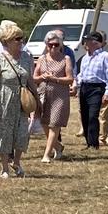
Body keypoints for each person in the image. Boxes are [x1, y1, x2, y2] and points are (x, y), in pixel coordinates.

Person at [0, 20, 31, 179]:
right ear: (7, 41)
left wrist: (36, 100)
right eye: (17, 39)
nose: (20, 42)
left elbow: (29, 80)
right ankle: (5, 168)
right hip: (5, 98)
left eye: (22, 38)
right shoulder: (0, 58)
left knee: (22, 132)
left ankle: (16, 162)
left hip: (22, 99)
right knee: (4, 133)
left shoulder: (26, 57)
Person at [33, 30, 74, 162]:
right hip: (43, 94)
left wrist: (55, 79)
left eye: (56, 44)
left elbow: (70, 79)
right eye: (50, 45)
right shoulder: (41, 58)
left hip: (60, 96)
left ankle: (46, 155)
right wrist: (42, 77)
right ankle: (57, 146)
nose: (53, 47)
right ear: (46, 45)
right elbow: (34, 77)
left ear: (61, 45)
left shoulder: (65, 59)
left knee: (54, 124)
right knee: (44, 123)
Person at [74, 28, 108, 150]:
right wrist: (76, 83)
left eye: (88, 41)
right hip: (85, 87)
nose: (85, 43)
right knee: (85, 115)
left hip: (97, 88)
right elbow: (82, 74)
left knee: (92, 116)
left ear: (96, 42)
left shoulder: (105, 56)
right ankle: (88, 142)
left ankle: (94, 143)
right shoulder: (85, 57)